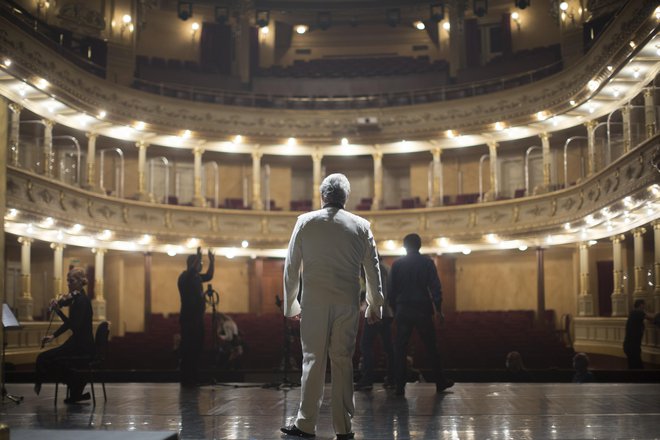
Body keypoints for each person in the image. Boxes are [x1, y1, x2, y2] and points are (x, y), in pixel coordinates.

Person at [281, 173, 383, 440]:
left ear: (323, 196)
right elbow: (373, 269)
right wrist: (375, 305)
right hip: (347, 303)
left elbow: (291, 267)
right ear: (345, 198)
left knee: (313, 360)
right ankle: (344, 427)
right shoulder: (361, 225)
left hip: (314, 303)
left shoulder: (305, 222)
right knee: (342, 361)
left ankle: (305, 424)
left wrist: (292, 304)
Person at [389, 233, 453, 396]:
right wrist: (438, 309)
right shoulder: (427, 263)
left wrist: (396, 310)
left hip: (403, 309)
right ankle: (440, 382)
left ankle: (399, 386)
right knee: (431, 347)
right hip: (422, 309)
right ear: (420, 246)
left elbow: (391, 291)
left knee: (400, 348)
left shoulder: (397, 265)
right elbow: (435, 287)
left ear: (404, 246)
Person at [35, 267, 95, 403]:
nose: (68, 284)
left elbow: (73, 326)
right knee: (46, 358)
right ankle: (76, 383)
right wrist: (53, 336)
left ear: (80, 282)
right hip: (78, 342)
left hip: (82, 345)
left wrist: (59, 311)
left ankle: (76, 381)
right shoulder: (76, 298)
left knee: (44, 358)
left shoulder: (82, 301)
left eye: (72, 281)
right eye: (68, 281)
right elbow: (69, 318)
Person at [355, 256, 395, 391]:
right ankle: (392, 378)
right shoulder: (385, 268)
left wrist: (373, 309)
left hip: (377, 311)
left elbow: (380, 291)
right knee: (388, 347)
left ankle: (367, 380)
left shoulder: (375, 269)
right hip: (386, 312)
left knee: (365, 345)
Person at [178, 246, 215, 386]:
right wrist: (198, 256)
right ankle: (186, 379)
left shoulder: (196, 277)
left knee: (197, 349)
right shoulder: (184, 277)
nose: (200, 266)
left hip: (197, 319)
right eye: (199, 263)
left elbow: (209, 275)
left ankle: (194, 377)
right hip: (188, 320)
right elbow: (192, 270)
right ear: (191, 264)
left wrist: (212, 261)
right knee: (188, 349)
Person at [623, 299, 653, 369]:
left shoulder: (634, 313)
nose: (645, 307)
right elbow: (651, 317)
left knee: (634, 367)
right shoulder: (637, 312)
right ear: (641, 305)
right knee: (637, 368)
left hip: (630, 346)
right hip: (632, 346)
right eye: (644, 305)